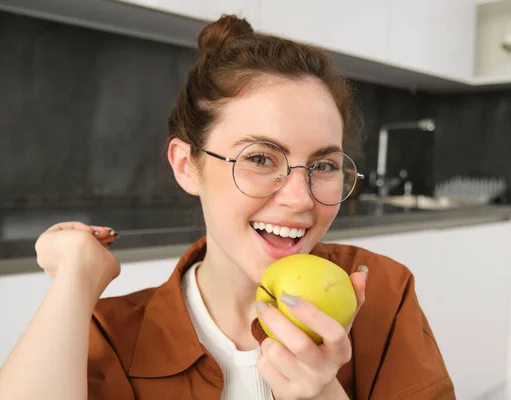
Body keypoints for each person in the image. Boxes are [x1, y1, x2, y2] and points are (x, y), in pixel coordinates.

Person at [0, 15, 455, 400]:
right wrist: (75, 277)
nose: (300, 198)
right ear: (187, 166)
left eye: (323, 164)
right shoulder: (111, 337)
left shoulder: (382, 297)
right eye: (260, 158)